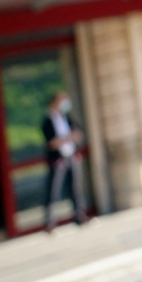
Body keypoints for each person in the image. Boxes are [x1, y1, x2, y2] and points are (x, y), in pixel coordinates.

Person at [39, 90, 88, 233]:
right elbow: (52, 143)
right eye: (62, 100)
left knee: (76, 188)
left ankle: (79, 215)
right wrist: (67, 138)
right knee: (54, 190)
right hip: (57, 160)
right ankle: (49, 221)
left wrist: (66, 139)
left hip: (71, 156)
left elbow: (78, 134)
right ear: (55, 102)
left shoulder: (67, 118)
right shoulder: (47, 121)